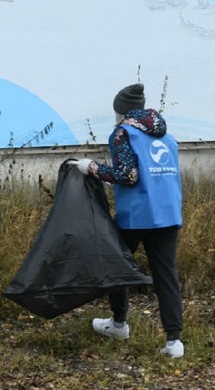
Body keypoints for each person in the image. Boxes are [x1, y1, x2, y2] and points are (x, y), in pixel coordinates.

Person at [73, 83, 186, 357]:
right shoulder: (167, 137)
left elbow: (128, 175)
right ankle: (174, 342)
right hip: (168, 214)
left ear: (121, 111)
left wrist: (92, 168)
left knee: (116, 266)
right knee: (166, 275)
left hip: (137, 215)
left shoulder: (123, 133)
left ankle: (119, 324)